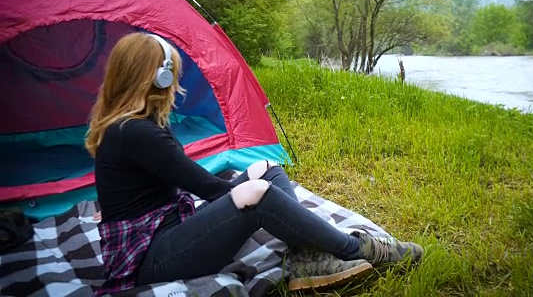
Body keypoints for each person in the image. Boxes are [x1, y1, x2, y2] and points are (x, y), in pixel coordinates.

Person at [85, 32, 424, 296]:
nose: (175, 79)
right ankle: (356, 247)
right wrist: (246, 192)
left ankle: (305, 258)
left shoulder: (133, 124)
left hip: (165, 231)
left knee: (267, 169)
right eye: (171, 71)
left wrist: (248, 182)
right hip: (149, 260)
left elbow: (195, 183)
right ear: (158, 78)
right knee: (258, 192)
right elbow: (209, 188)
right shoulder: (136, 133)